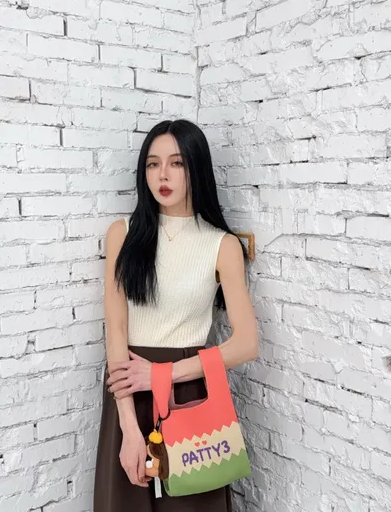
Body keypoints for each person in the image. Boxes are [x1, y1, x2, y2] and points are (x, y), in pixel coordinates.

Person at [93, 119, 259, 512]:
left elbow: (246, 344)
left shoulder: (221, 245)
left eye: (177, 163)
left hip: (189, 393)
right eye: (153, 164)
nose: (162, 175)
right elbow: (116, 332)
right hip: (129, 392)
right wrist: (128, 427)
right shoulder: (123, 233)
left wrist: (162, 375)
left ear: (196, 168)